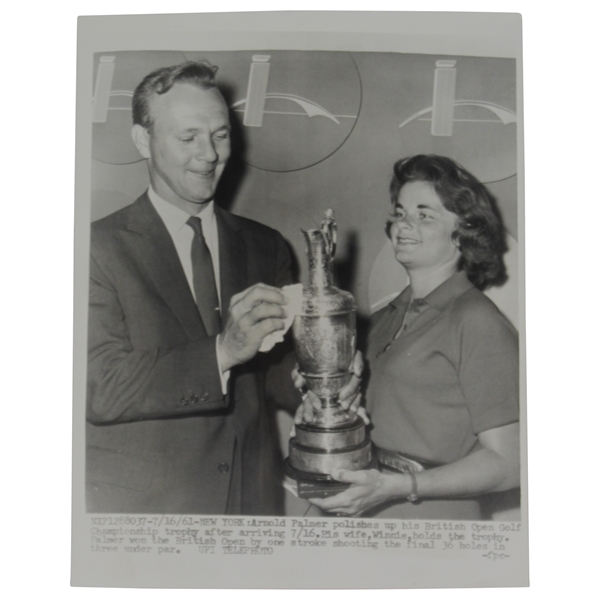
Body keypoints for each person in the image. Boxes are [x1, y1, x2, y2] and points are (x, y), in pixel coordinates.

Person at [86, 61, 298, 515]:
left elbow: (278, 375)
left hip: (250, 505)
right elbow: (99, 387)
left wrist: (322, 379)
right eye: (188, 138)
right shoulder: (92, 249)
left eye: (220, 136)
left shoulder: (266, 245)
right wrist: (224, 350)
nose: (209, 155)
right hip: (148, 513)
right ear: (143, 140)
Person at [300, 155, 520, 519]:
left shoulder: (477, 321)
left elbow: (512, 462)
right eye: (400, 213)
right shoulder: (383, 319)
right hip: (362, 505)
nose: (404, 225)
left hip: (430, 516)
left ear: (463, 231)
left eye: (424, 215)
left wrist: (399, 487)